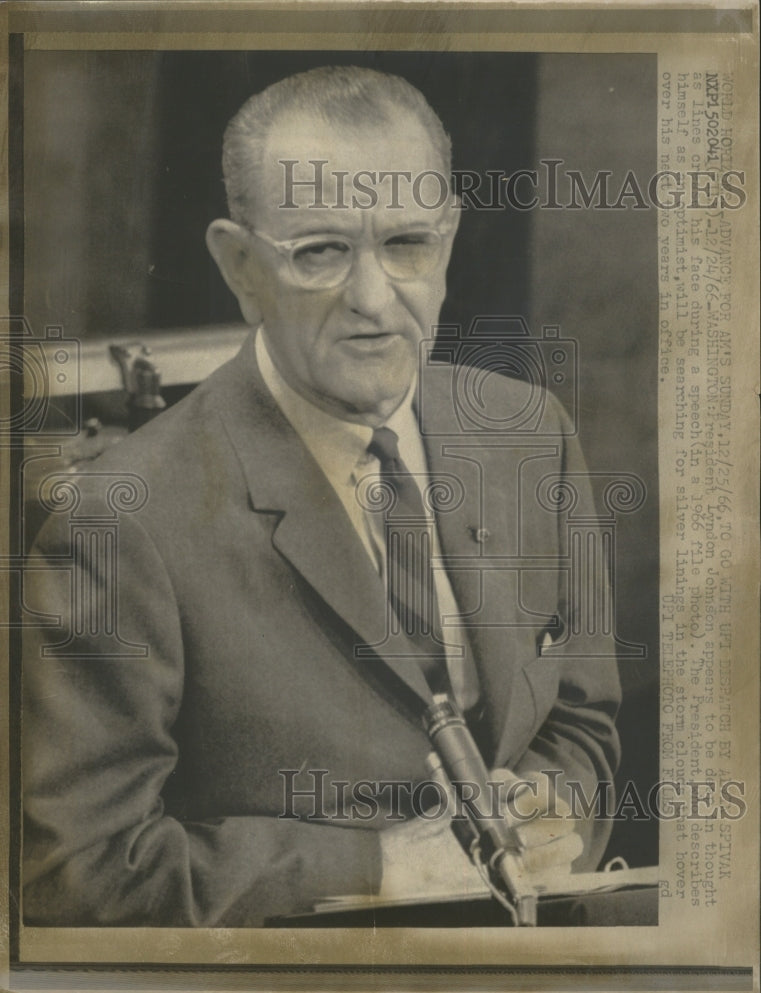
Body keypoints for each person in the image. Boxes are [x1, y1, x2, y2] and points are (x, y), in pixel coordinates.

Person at [22, 66, 621, 927]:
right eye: (321, 252)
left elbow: (584, 722)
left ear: (447, 242)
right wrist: (376, 866)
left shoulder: (530, 433)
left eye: (406, 244)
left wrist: (555, 806)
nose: (374, 301)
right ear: (239, 265)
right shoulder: (117, 522)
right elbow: (73, 873)